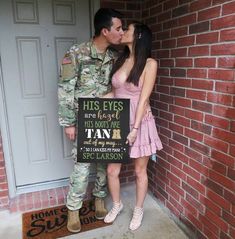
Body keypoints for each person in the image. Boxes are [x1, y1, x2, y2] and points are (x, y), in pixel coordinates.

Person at [58, 8, 124, 233]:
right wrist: (69, 123)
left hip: (107, 117)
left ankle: (99, 199)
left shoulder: (115, 57)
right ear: (105, 31)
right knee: (82, 166)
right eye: (118, 28)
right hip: (83, 118)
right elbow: (66, 90)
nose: (121, 33)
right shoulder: (76, 53)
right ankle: (73, 209)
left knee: (104, 162)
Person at [103, 22, 163, 231]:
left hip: (139, 122)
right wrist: (90, 103)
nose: (123, 32)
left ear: (138, 36)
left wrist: (135, 128)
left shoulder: (149, 63)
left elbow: (144, 98)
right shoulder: (120, 60)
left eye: (127, 29)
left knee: (140, 171)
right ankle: (117, 205)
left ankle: (138, 209)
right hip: (117, 120)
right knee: (112, 169)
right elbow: (115, 93)